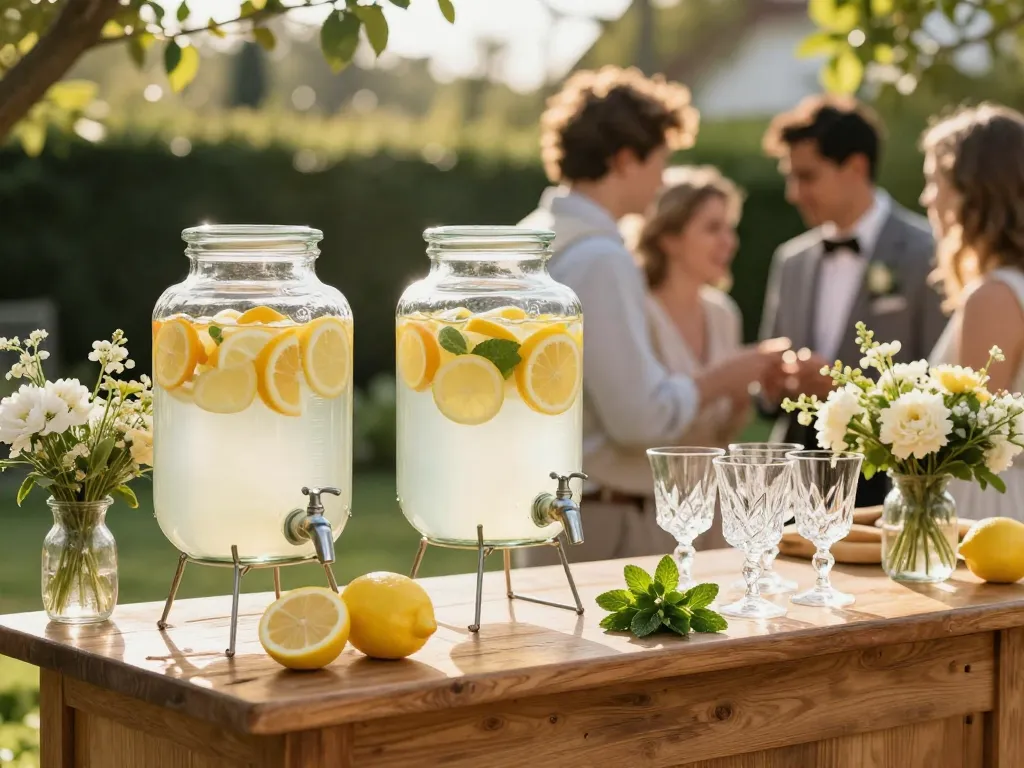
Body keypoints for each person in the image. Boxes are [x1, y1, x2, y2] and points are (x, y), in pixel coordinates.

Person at [519, 66, 785, 564]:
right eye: (660, 161)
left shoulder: (534, 235)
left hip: (553, 511)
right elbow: (640, 419)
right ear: (624, 159)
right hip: (606, 524)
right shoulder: (601, 257)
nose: (663, 179)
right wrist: (725, 378)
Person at [759, 94, 946, 507]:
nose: (793, 193)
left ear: (856, 167)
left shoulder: (927, 253)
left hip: (889, 484)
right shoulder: (791, 260)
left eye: (807, 176)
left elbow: (943, 382)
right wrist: (772, 382)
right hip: (794, 484)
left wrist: (845, 388)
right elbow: (767, 397)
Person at [923, 104, 1024, 522]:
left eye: (934, 181)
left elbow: (971, 438)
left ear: (972, 191)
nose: (927, 198)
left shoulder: (995, 296)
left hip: (989, 513)